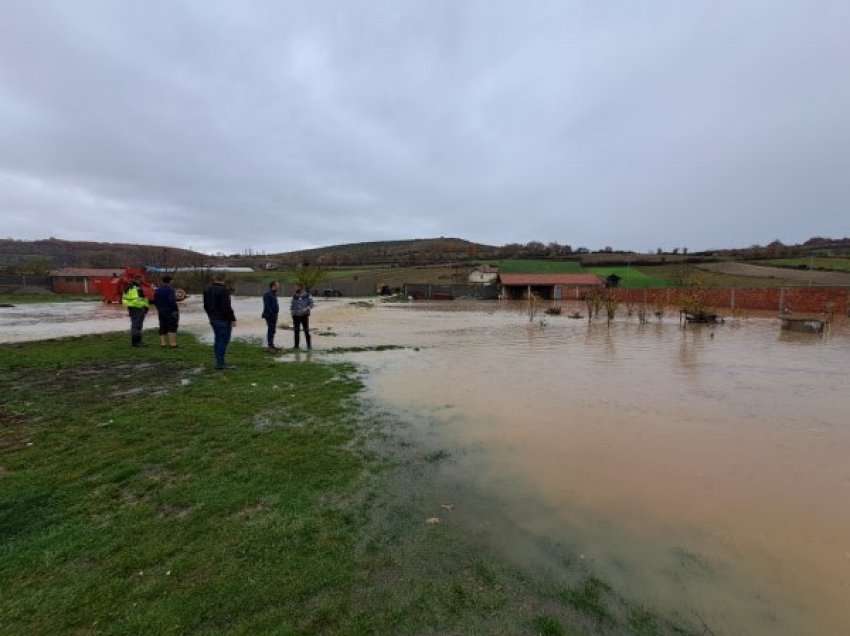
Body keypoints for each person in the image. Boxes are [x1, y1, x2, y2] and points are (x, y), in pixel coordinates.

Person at [203, 273, 237, 369]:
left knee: (218, 340)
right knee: (223, 341)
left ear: (214, 279)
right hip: (223, 320)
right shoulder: (224, 290)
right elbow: (226, 307)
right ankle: (220, 364)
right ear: (223, 280)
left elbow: (205, 306)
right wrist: (233, 319)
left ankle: (219, 361)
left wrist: (210, 315)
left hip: (213, 319)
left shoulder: (207, 289)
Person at [121, 275, 150, 347]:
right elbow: (141, 299)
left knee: (138, 326)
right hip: (137, 308)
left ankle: (138, 341)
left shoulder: (131, 287)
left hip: (136, 308)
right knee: (136, 326)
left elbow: (143, 298)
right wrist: (144, 307)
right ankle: (135, 342)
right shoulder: (134, 288)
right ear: (137, 279)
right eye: (140, 279)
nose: (141, 281)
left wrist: (146, 307)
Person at [153, 275, 179, 348]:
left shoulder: (157, 290)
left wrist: (159, 308)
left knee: (162, 326)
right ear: (170, 281)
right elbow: (172, 301)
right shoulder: (171, 290)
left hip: (161, 311)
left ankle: (163, 343)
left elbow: (155, 301)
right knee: (172, 326)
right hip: (171, 311)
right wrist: (175, 310)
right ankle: (173, 343)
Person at [290, 283, 314, 350]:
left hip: (304, 316)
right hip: (295, 316)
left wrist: (306, 309)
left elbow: (312, 304)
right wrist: (292, 312)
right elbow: (292, 305)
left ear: (300, 287)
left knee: (306, 331)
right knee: (296, 331)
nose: (295, 288)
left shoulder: (308, 295)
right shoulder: (294, 295)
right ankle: (296, 346)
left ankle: (309, 346)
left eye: (296, 287)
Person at [261, 281, 281, 351]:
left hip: (274, 314)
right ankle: (270, 345)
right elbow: (267, 306)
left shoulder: (274, 294)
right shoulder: (267, 294)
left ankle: (272, 344)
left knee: (273, 330)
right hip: (269, 315)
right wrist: (272, 314)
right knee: (271, 329)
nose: (279, 286)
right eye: (277, 285)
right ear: (273, 286)